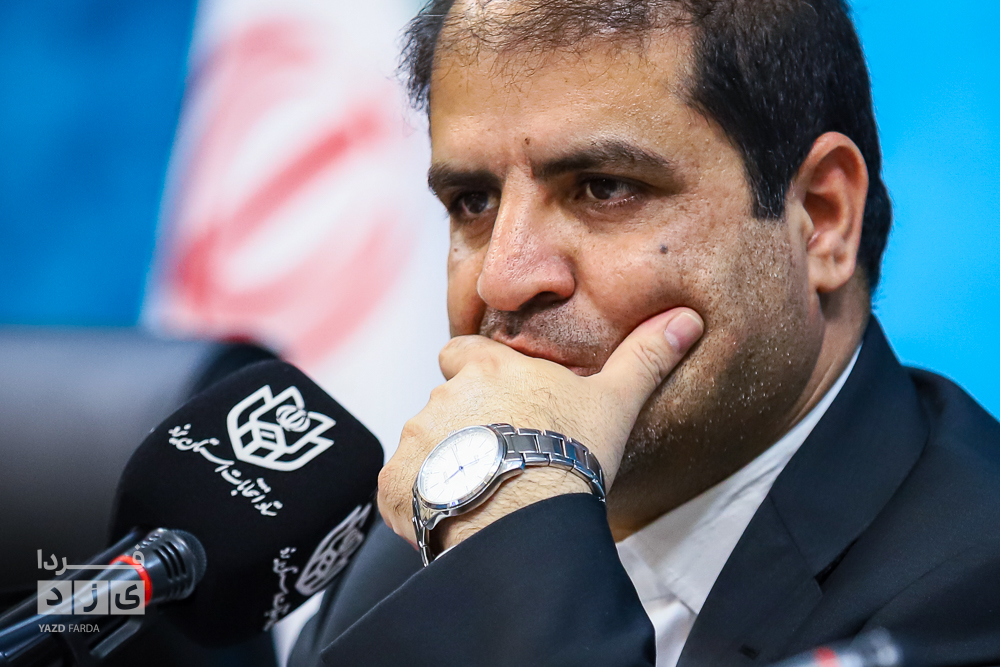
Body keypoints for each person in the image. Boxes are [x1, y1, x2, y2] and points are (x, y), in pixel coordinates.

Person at [290, 1, 1000, 665]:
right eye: (473, 202)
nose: (502, 281)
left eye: (604, 187)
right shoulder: (423, 543)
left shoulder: (973, 586)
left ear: (822, 217)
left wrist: (519, 544)